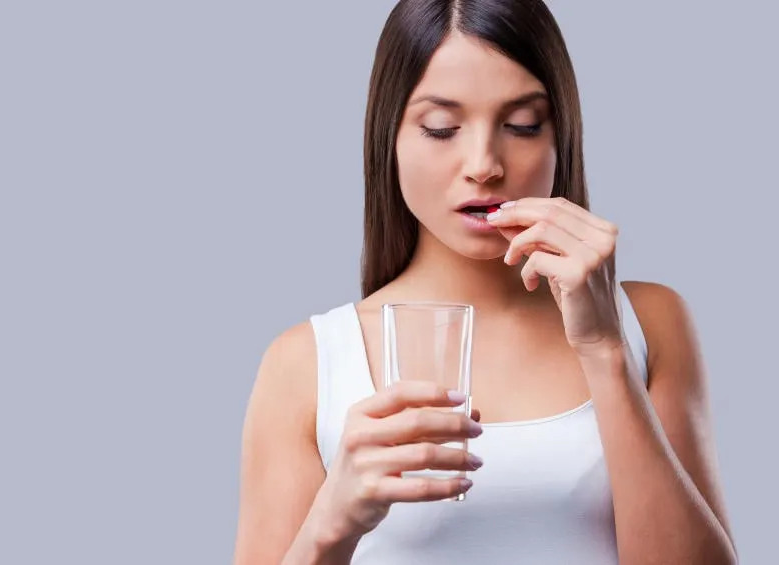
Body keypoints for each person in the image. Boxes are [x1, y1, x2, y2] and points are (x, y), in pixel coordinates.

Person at [233, 1, 738, 563]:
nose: (483, 164)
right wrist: (330, 525)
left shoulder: (648, 322)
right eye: (441, 128)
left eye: (522, 125)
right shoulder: (308, 362)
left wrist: (603, 349)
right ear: (389, 137)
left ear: (561, 137)